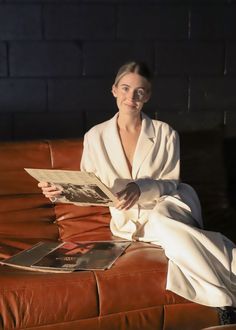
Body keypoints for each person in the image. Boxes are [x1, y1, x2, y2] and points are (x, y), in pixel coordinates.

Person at [38, 61, 236, 321]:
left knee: (163, 222)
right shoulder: (95, 137)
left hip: (172, 202)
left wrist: (139, 188)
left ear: (148, 96)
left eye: (139, 91)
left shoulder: (166, 133)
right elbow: (93, 189)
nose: (131, 97)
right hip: (129, 221)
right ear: (114, 90)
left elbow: (170, 183)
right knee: (175, 244)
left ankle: (225, 304)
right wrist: (60, 192)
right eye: (125, 88)